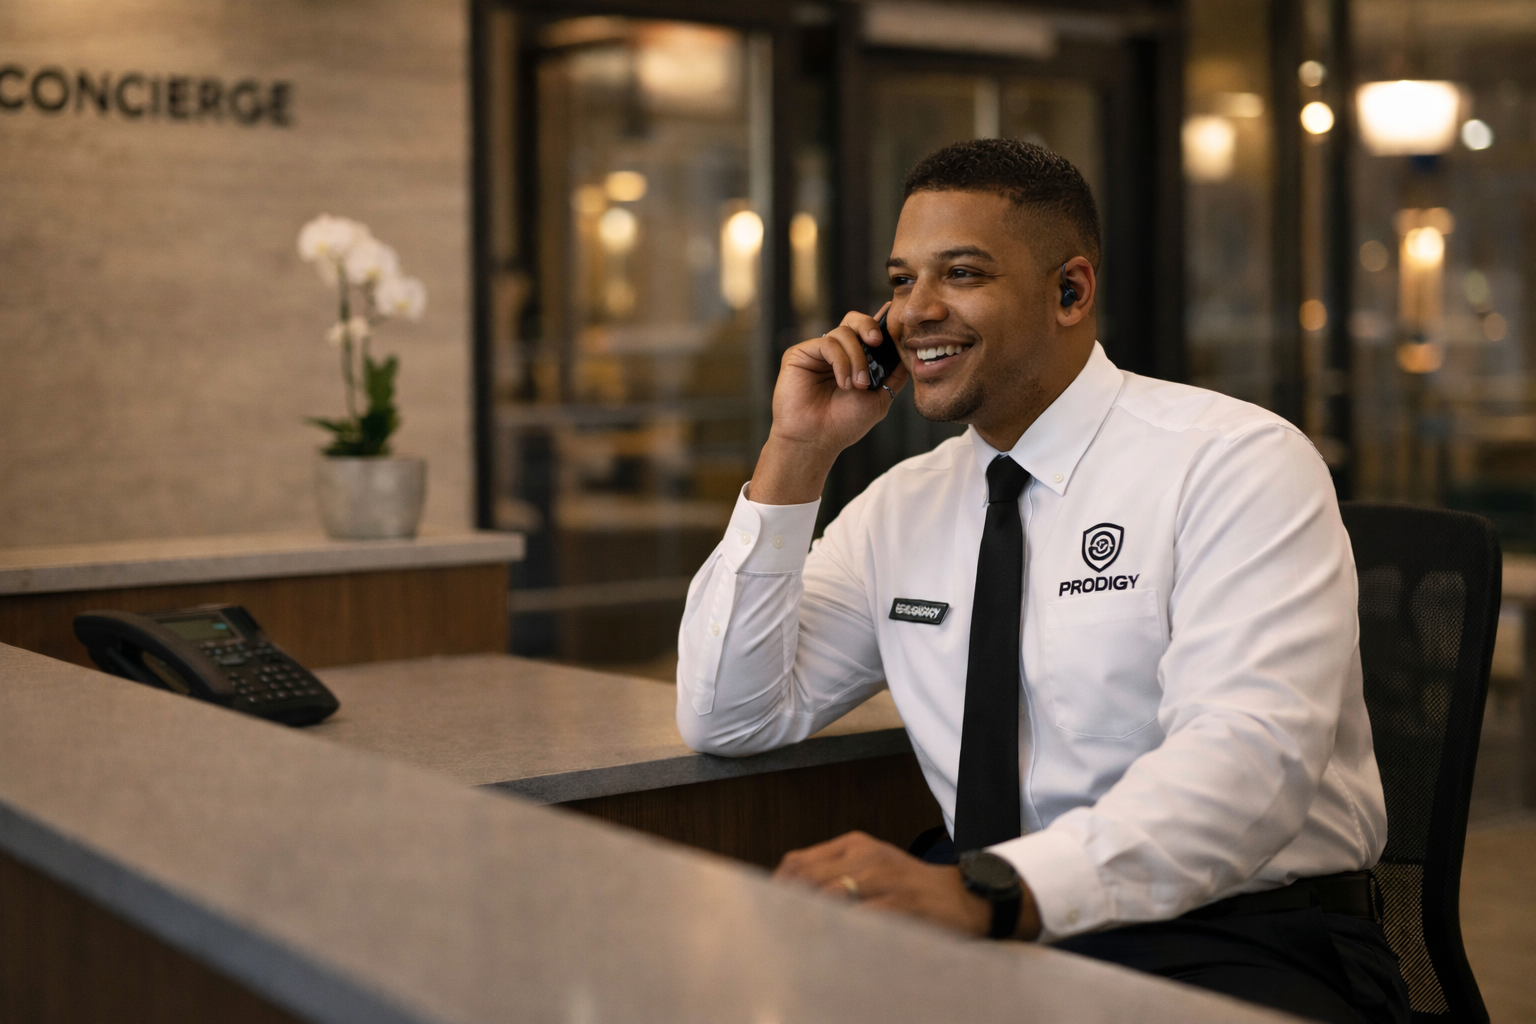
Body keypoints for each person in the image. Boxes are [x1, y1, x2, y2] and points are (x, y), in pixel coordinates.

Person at [674, 138, 1408, 1024]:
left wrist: (997, 891)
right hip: (993, 925)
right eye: (902, 281)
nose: (916, 312)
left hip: (1231, 933)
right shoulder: (901, 506)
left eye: (963, 274)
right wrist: (797, 452)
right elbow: (730, 714)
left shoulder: (1234, 462)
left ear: (1071, 291)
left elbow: (1246, 764)